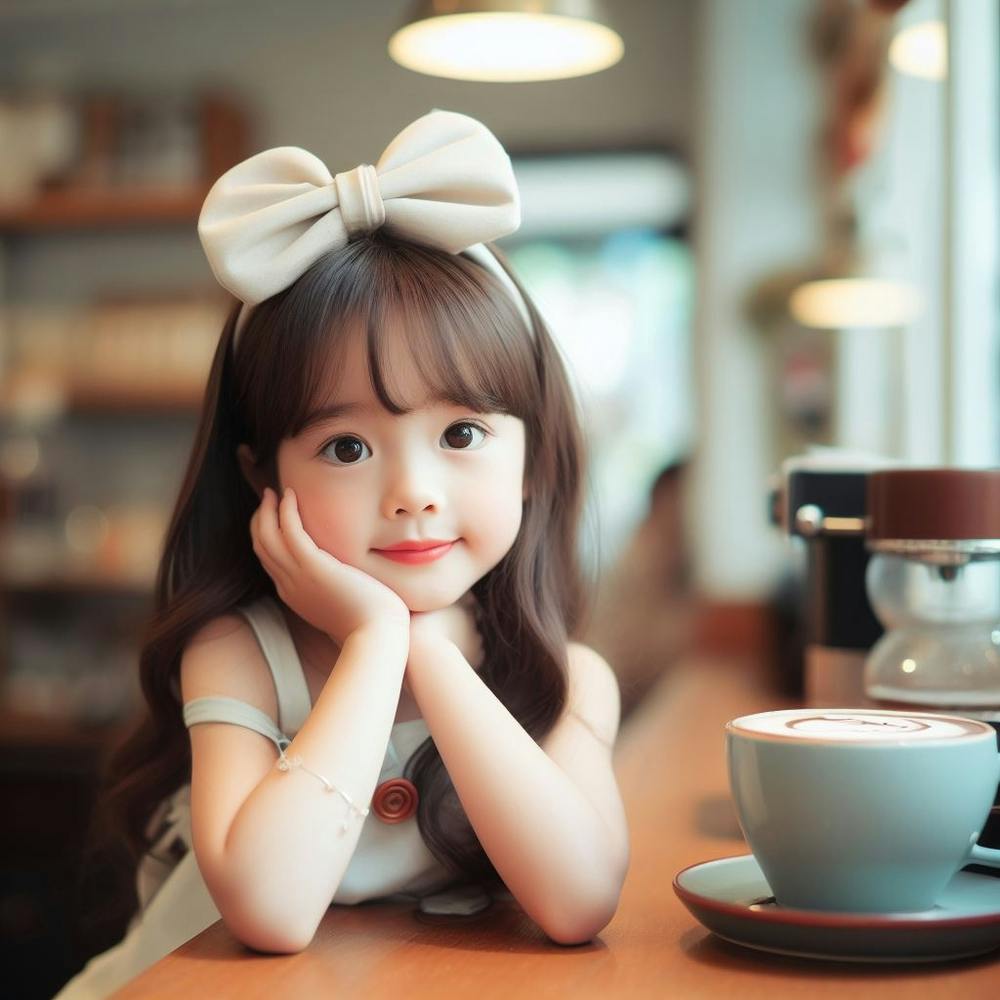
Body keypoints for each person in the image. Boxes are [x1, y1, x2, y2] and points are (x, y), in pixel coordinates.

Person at [53, 109, 629, 999]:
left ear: (532, 457)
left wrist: (425, 648)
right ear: (260, 476)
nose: (414, 492)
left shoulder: (564, 675)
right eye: (347, 448)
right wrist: (372, 641)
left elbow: (579, 901)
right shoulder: (243, 654)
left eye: (463, 431)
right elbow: (272, 912)